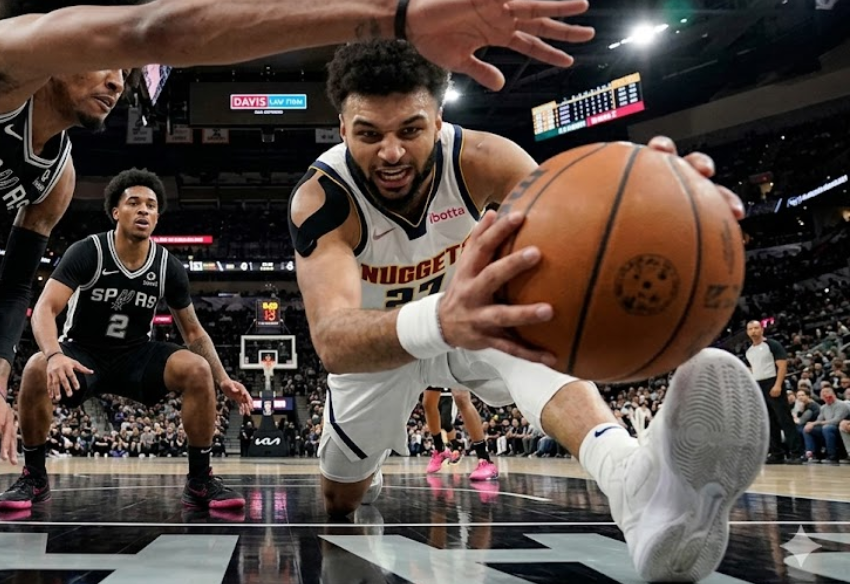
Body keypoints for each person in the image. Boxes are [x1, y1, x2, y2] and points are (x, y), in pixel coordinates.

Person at [0, 0, 595, 519]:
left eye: (127, 73)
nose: (121, 81)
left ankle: (188, 469)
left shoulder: (54, 179)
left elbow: (18, 279)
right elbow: (157, 30)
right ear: (56, 39)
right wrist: (396, 14)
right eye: (106, 61)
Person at [288, 39, 767, 582]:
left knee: (535, 331)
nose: (391, 152)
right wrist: (443, 316)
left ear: (439, 120)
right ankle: (364, 465)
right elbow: (332, 338)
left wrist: (661, 202)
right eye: (369, 134)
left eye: (410, 130)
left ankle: (636, 486)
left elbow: (574, 234)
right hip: (384, 346)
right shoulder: (323, 199)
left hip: (479, 323)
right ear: (342, 127)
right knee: (339, 500)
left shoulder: (487, 160)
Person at [0, 169, 254, 511]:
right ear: (116, 212)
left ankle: (200, 480)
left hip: (136, 354)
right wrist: (54, 354)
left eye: (151, 205)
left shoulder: (167, 266)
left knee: (197, 369)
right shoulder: (88, 251)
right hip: (83, 352)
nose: (144, 210)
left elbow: (193, 332)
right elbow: (45, 307)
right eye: (134, 203)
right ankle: (34, 477)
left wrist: (223, 379)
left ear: (158, 216)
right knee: (34, 367)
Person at [745, 320, 803, 463]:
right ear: (747, 332)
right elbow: (754, 369)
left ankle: (797, 453)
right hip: (759, 385)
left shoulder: (772, 345)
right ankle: (777, 453)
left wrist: (778, 385)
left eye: (756, 328)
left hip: (773, 382)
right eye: (750, 329)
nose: (753, 331)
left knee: (784, 419)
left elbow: (782, 366)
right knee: (769, 420)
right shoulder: (749, 351)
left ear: (762, 330)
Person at [421, 388, 496, 480]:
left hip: (450, 389)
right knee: (428, 403)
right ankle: (440, 449)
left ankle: (485, 459)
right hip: (436, 374)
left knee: (461, 398)